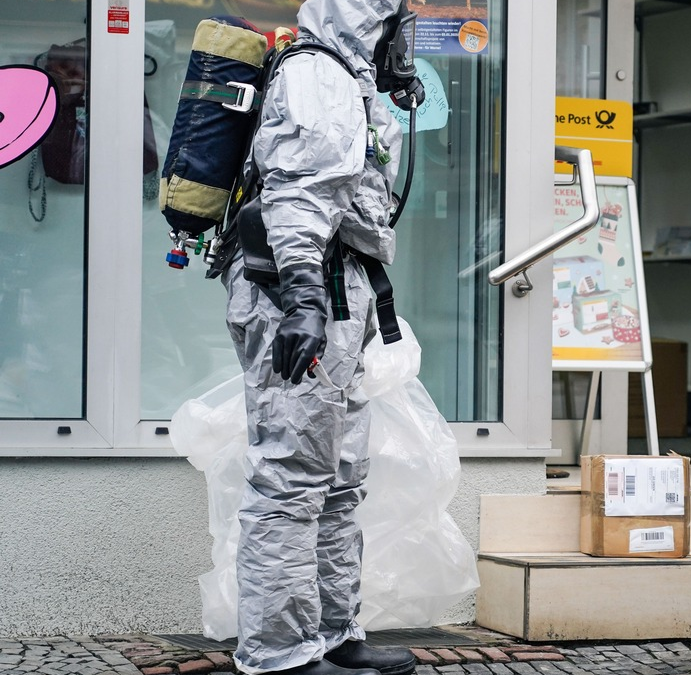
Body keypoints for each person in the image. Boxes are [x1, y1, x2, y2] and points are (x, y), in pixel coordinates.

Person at [221, 1, 422, 673]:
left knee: (338, 477)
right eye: (399, 27)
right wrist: (304, 298)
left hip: (341, 292)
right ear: (369, 22)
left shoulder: (347, 82)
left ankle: (334, 633)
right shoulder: (318, 76)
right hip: (307, 292)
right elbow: (297, 193)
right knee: (290, 475)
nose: (406, 42)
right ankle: (280, 652)